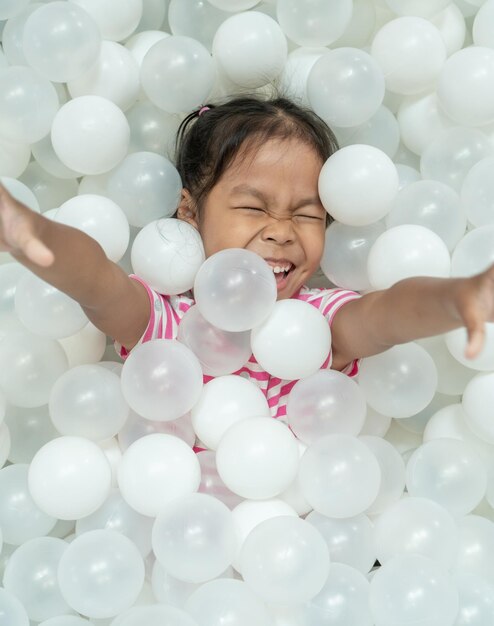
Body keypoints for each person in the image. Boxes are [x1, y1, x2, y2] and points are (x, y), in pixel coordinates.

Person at [1, 95, 493, 418]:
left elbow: (390, 313)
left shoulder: (320, 325)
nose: (281, 232)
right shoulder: (165, 326)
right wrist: (28, 232)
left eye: (306, 215)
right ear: (190, 212)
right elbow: (95, 280)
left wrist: (457, 298)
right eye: (254, 207)